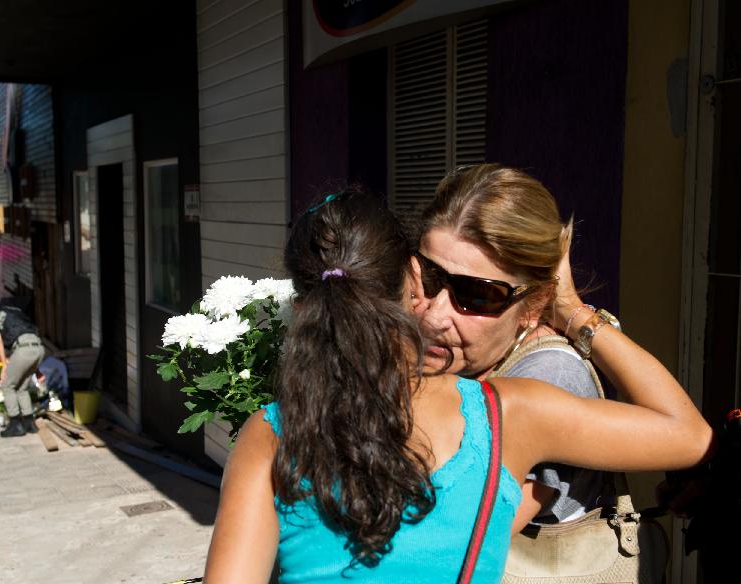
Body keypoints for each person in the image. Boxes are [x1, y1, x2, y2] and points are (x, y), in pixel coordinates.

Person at [203, 188, 713, 583]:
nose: (443, 314)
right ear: (415, 279)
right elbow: (689, 435)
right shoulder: (508, 418)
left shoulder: (268, 436)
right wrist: (577, 313)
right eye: (436, 277)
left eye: (478, 294)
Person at [412, 164, 602, 531]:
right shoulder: (451, 357)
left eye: (477, 295)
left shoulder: (548, 378)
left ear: (533, 305)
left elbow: (454, 539)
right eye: (430, 277)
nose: (434, 316)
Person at [0, 301, 45, 438]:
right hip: (39, 349)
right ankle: (29, 424)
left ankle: (15, 425)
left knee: (7, 385)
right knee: (22, 387)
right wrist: (37, 371)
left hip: (23, 350)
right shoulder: (16, 311)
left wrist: (4, 365)